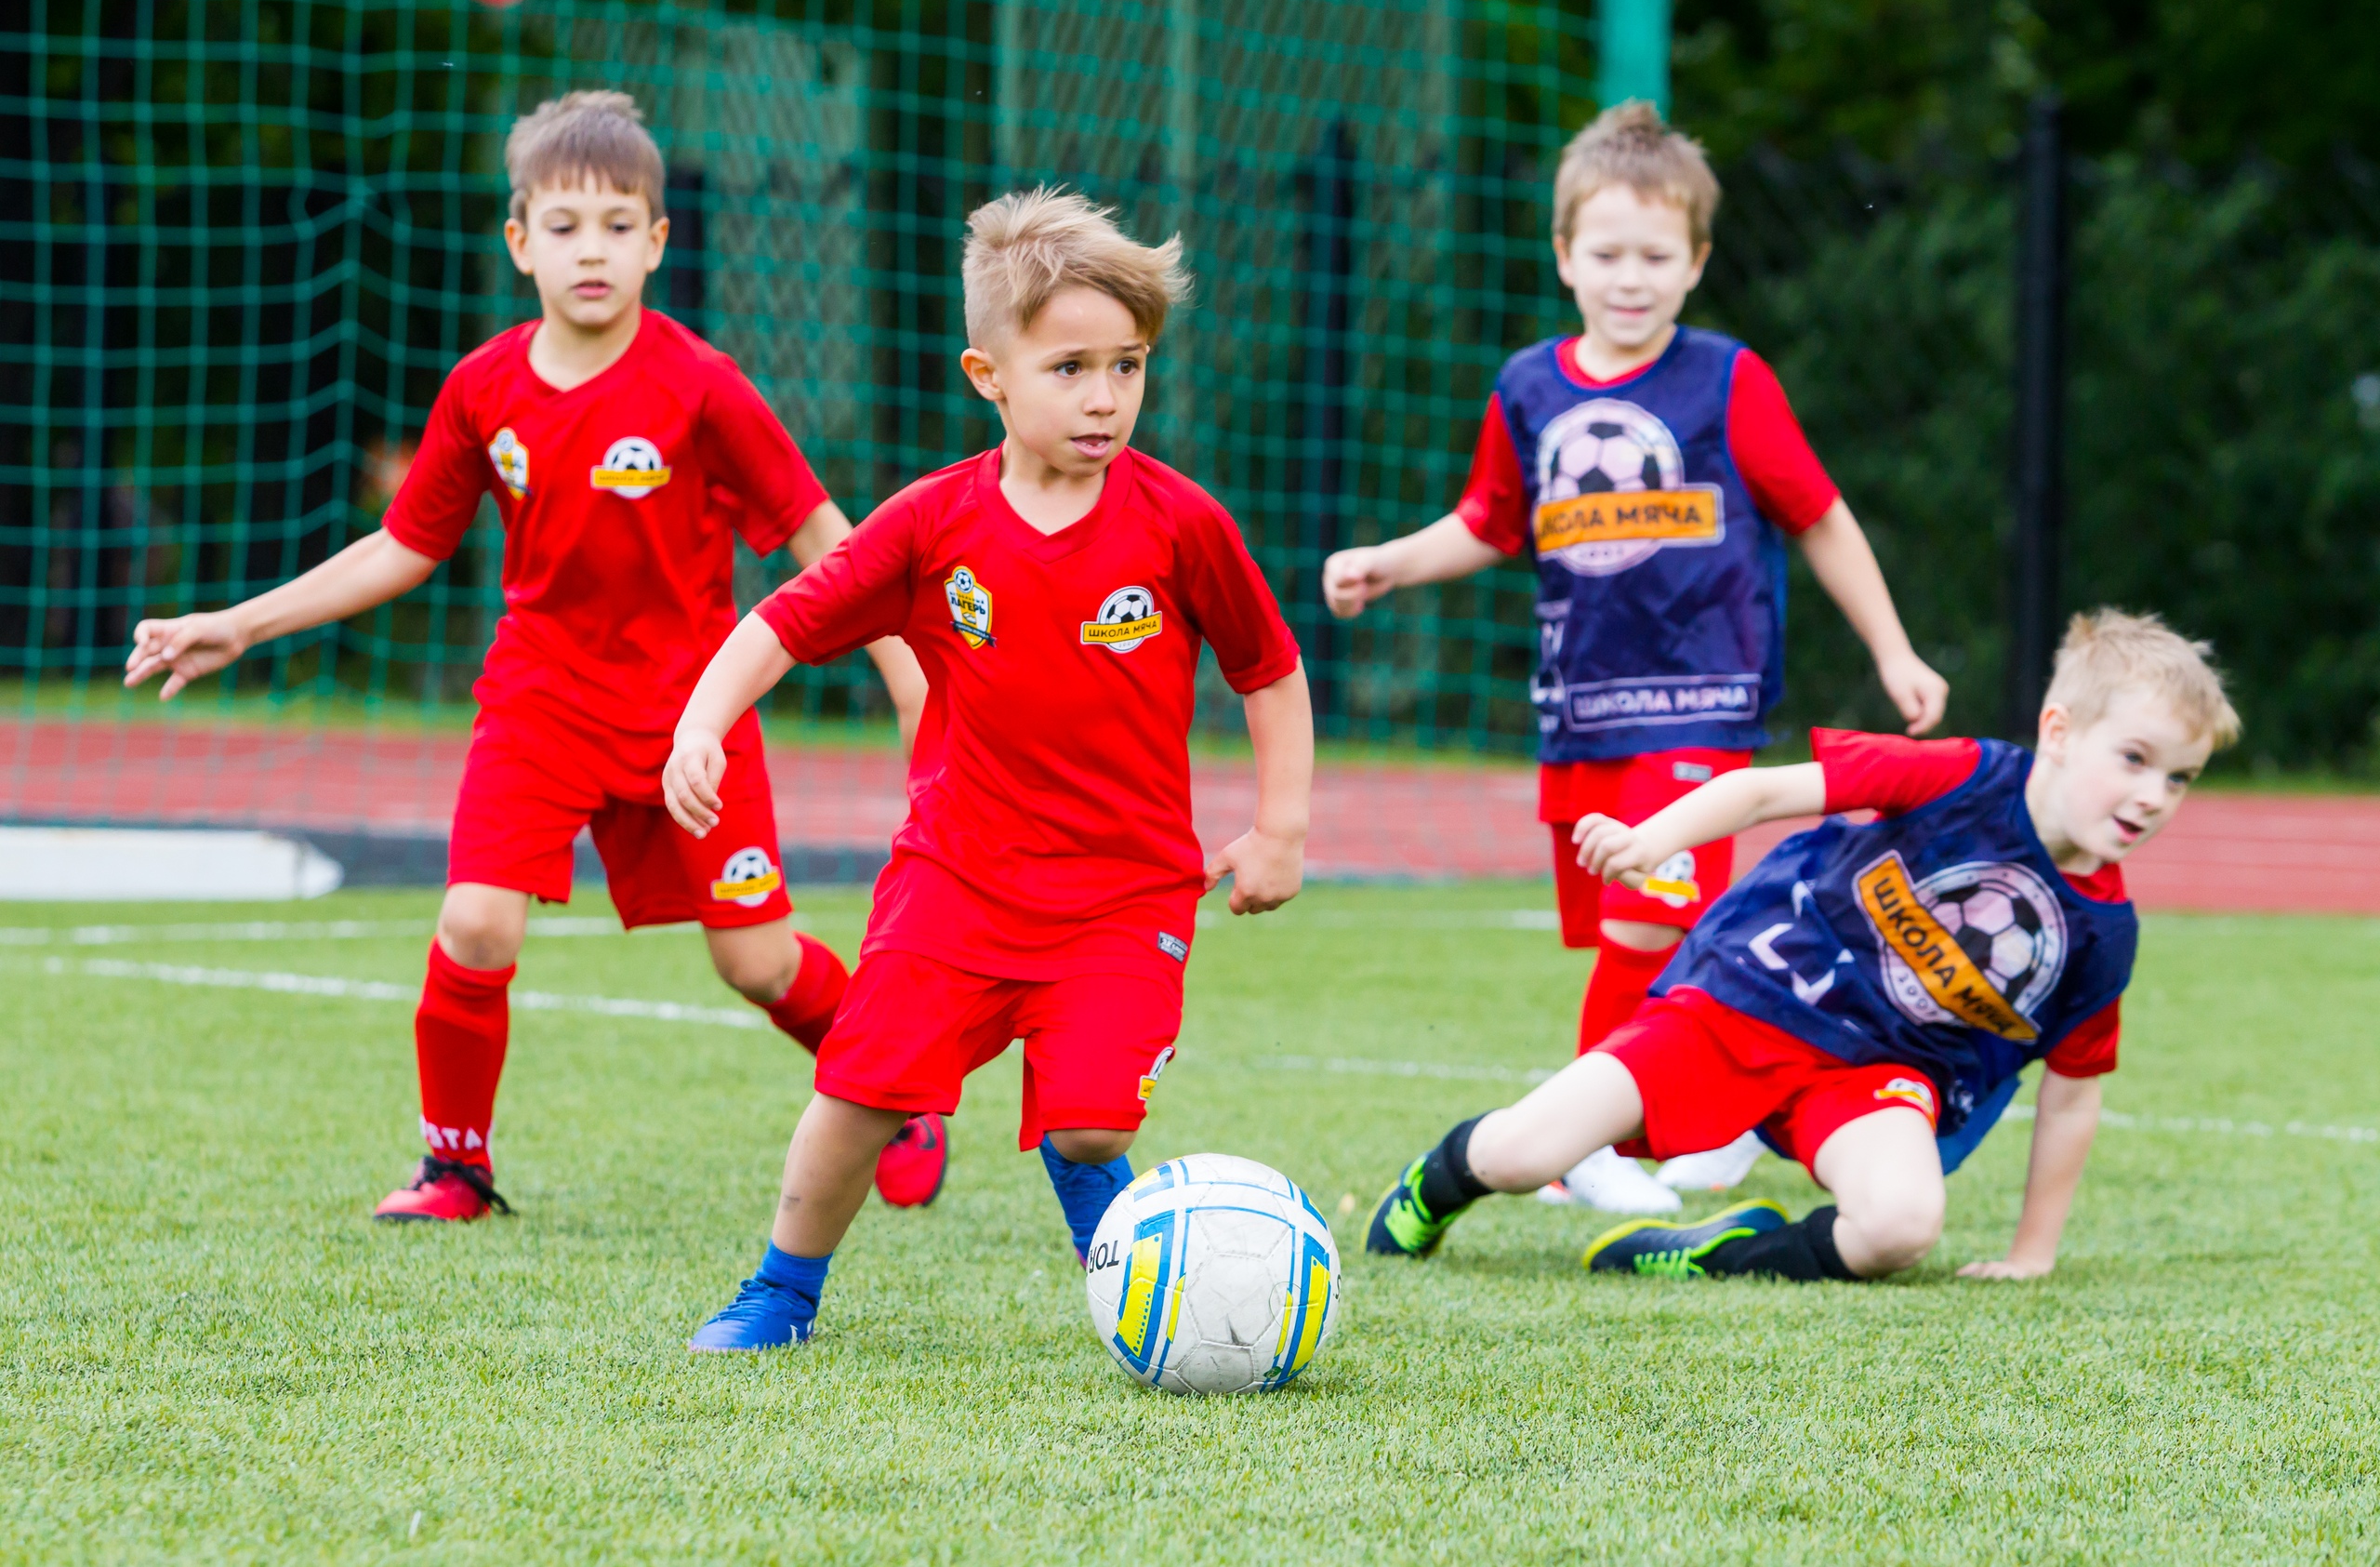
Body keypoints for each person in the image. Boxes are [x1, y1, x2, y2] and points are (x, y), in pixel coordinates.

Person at [122, 92, 935, 1222]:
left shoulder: (701, 384)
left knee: (754, 963)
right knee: (474, 921)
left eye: (616, 224)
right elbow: (404, 545)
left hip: (692, 715)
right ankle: (453, 1168)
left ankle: (898, 1098)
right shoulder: (482, 389)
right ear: (519, 243)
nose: (590, 249)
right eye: (563, 225)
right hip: (541, 703)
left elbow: (823, 537)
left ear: (657, 241)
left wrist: (909, 673)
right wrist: (242, 622)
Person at [668, 188, 1315, 1351]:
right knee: (857, 1092)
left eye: (1129, 365)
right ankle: (779, 1291)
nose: (1105, 397)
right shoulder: (931, 523)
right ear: (989, 376)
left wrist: (1281, 829)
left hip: (1124, 896)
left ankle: (1137, 1292)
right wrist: (700, 724)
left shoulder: (1181, 525)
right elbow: (783, 621)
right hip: (955, 878)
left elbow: (1267, 669)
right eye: (1069, 367)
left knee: (1090, 1129)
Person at [1321, 102, 1948, 1215]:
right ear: (1564, 256)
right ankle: (1729, 1109)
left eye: (1656, 256)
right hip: (1582, 713)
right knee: (1650, 938)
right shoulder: (1528, 387)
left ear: (1696, 263)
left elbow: (1819, 514)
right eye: (1606, 253)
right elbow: (1488, 521)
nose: (1630, 277)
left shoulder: (1726, 383)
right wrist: (1388, 563)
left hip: (1698, 710)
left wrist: (1892, 649)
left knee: (1645, 921)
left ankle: (1584, 1144)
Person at [1366, 611, 2238, 1284]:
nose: (2154, 793)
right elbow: (1758, 790)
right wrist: (1647, 840)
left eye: (2178, 776)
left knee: (1900, 1225)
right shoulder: (1963, 774)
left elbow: (2073, 1097)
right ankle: (1433, 1186)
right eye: (2134, 758)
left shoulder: (2102, 932)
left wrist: (2032, 1253)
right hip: (1746, 997)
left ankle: (1710, 1253)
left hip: (1872, 1075)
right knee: (1520, 1155)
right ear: (2058, 730)